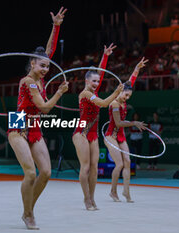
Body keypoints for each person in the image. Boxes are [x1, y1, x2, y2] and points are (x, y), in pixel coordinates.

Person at [7, 7, 68, 230]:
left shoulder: (41, 77)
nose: (45, 69)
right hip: (18, 124)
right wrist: (59, 92)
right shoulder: (28, 81)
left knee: (47, 172)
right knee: (31, 173)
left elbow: (48, 51)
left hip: (34, 126)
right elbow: (43, 107)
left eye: (47, 67)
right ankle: (28, 213)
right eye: (41, 65)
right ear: (31, 64)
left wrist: (56, 25)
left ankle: (27, 210)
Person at [72, 43, 124, 211]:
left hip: (93, 134)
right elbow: (102, 104)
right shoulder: (85, 94)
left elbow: (101, 73)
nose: (95, 83)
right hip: (81, 132)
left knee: (94, 168)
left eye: (96, 81)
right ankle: (86, 199)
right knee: (85, 167)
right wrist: (116, 93)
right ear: (86, 81)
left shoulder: (93, 91)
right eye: (92, 81)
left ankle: (92, 199)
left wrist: (105, 56)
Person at [104, 57, 148, 203]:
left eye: (130, 95)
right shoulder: (115, 103)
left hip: (121, 135)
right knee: (120, 164)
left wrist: (137, 68)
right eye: (126, 95)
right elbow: (118, 122)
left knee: (128, 162)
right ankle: (113, 191)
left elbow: (131, 81)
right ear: (120, 91)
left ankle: (126, 192)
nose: (127, 97)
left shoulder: (124, 94)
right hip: (111, 135)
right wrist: (134, 123)